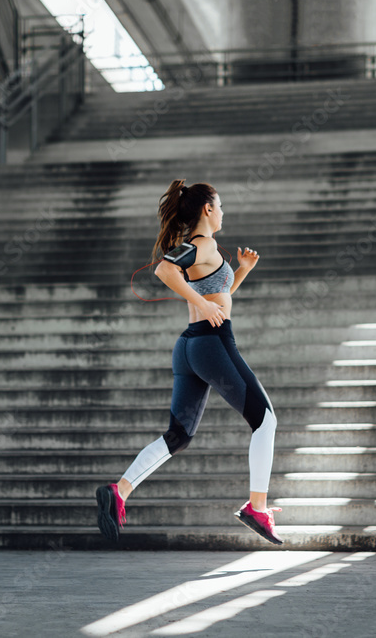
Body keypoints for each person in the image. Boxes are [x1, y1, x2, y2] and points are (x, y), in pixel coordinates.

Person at [95, 179, 282, 545]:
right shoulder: (203, 244)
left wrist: (240, 270)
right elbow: (165, 272)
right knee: (266, 421)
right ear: (207, 210)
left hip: (190, 346)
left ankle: (119, 491)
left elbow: (218, 296)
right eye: (221, 205)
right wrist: (204, 304)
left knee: (178, 436)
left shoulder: (204, 251)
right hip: (211, 344)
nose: (224, 212)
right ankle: (257, 507)